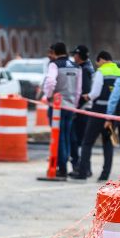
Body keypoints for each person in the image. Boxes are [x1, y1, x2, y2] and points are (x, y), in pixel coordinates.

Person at [69, 50, 120, 181]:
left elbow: (95, 93)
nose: (97, 65)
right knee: (107, 143)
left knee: (87, 142)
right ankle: (104, 175)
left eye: (98, 62)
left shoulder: (101, 72)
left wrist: (86, 97)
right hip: (114, 113)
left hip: (98, 110)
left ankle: (82, 173)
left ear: (102, 60)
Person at [42, 42, 82, 178]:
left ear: (54, 52)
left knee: (58, 137)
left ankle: (62, 167)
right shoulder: (77, 67)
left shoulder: (54, 65)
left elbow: (50, 81)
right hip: (70, 106)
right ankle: (65, 165)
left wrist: (48, 96)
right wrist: (75, 105)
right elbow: (78, 90)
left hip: (57, 107)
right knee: (66, 136)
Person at [69, 45, 95, 173]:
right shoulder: (88, 68)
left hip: (82, 110)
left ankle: (82, 168)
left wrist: (75, 108)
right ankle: (84, 167)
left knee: (78, 141)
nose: (73, 57)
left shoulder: (84, 70)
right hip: (86, 110)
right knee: (82, 141)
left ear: (78, 56)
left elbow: (84, 92)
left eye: (75, 55)